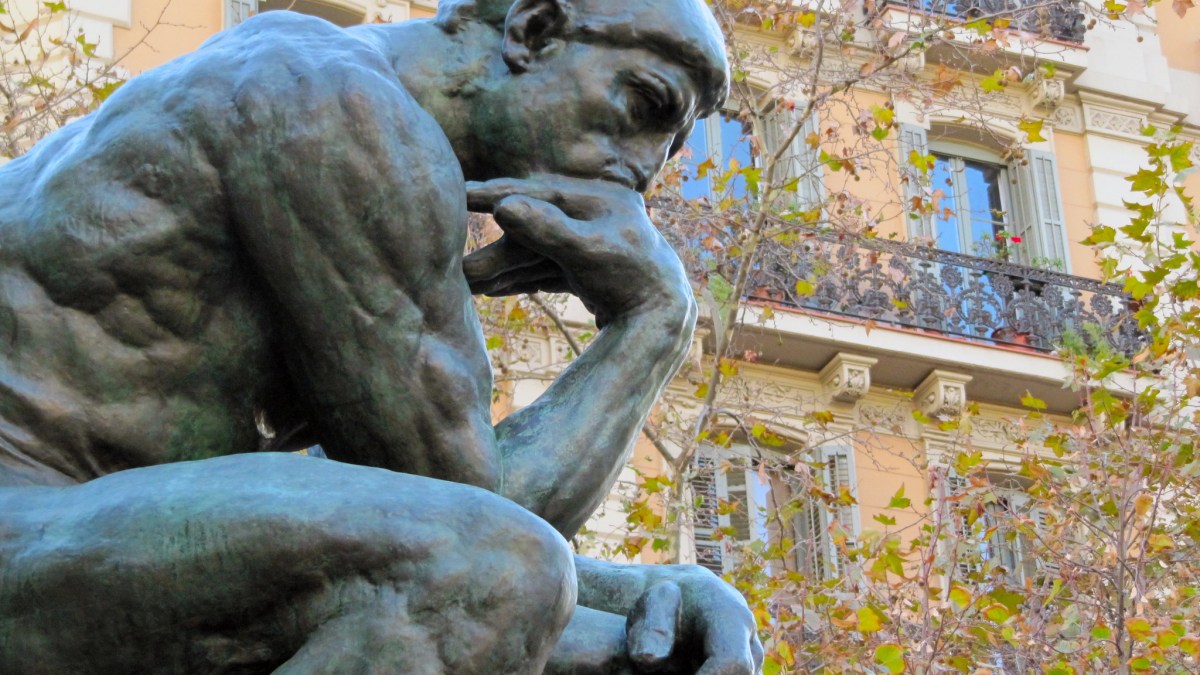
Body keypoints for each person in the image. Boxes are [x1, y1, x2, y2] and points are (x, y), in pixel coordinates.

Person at [0, 0, 763, 672]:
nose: (645, 171)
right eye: (645, 105)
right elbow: (475, 525)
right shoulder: (331, 104)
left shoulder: (321, 91)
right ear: (534, 31)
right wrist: (655, 321)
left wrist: (640, 593)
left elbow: (403, 525)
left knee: (648, 651)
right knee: (497, 572)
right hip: (24, 526)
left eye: (672, 149)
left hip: (70, 537)